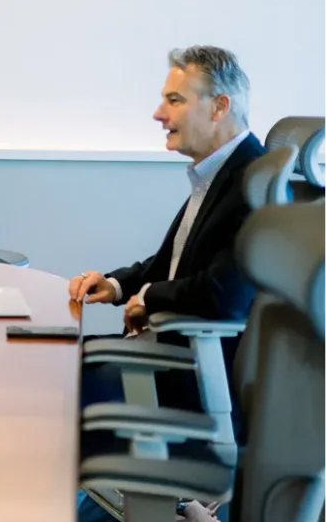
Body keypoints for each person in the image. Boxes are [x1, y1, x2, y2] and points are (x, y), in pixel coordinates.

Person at [70, 45, 266, 427]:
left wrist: (149, 297)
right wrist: (115, 285)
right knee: (65, 362)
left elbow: (225, 294)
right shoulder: (219, 173)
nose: (159, 114)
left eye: (174, 101)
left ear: (219, 106)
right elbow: (172, 265)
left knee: (63, 380)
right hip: (172, 351)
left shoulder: (253, 182)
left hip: (198, 374)